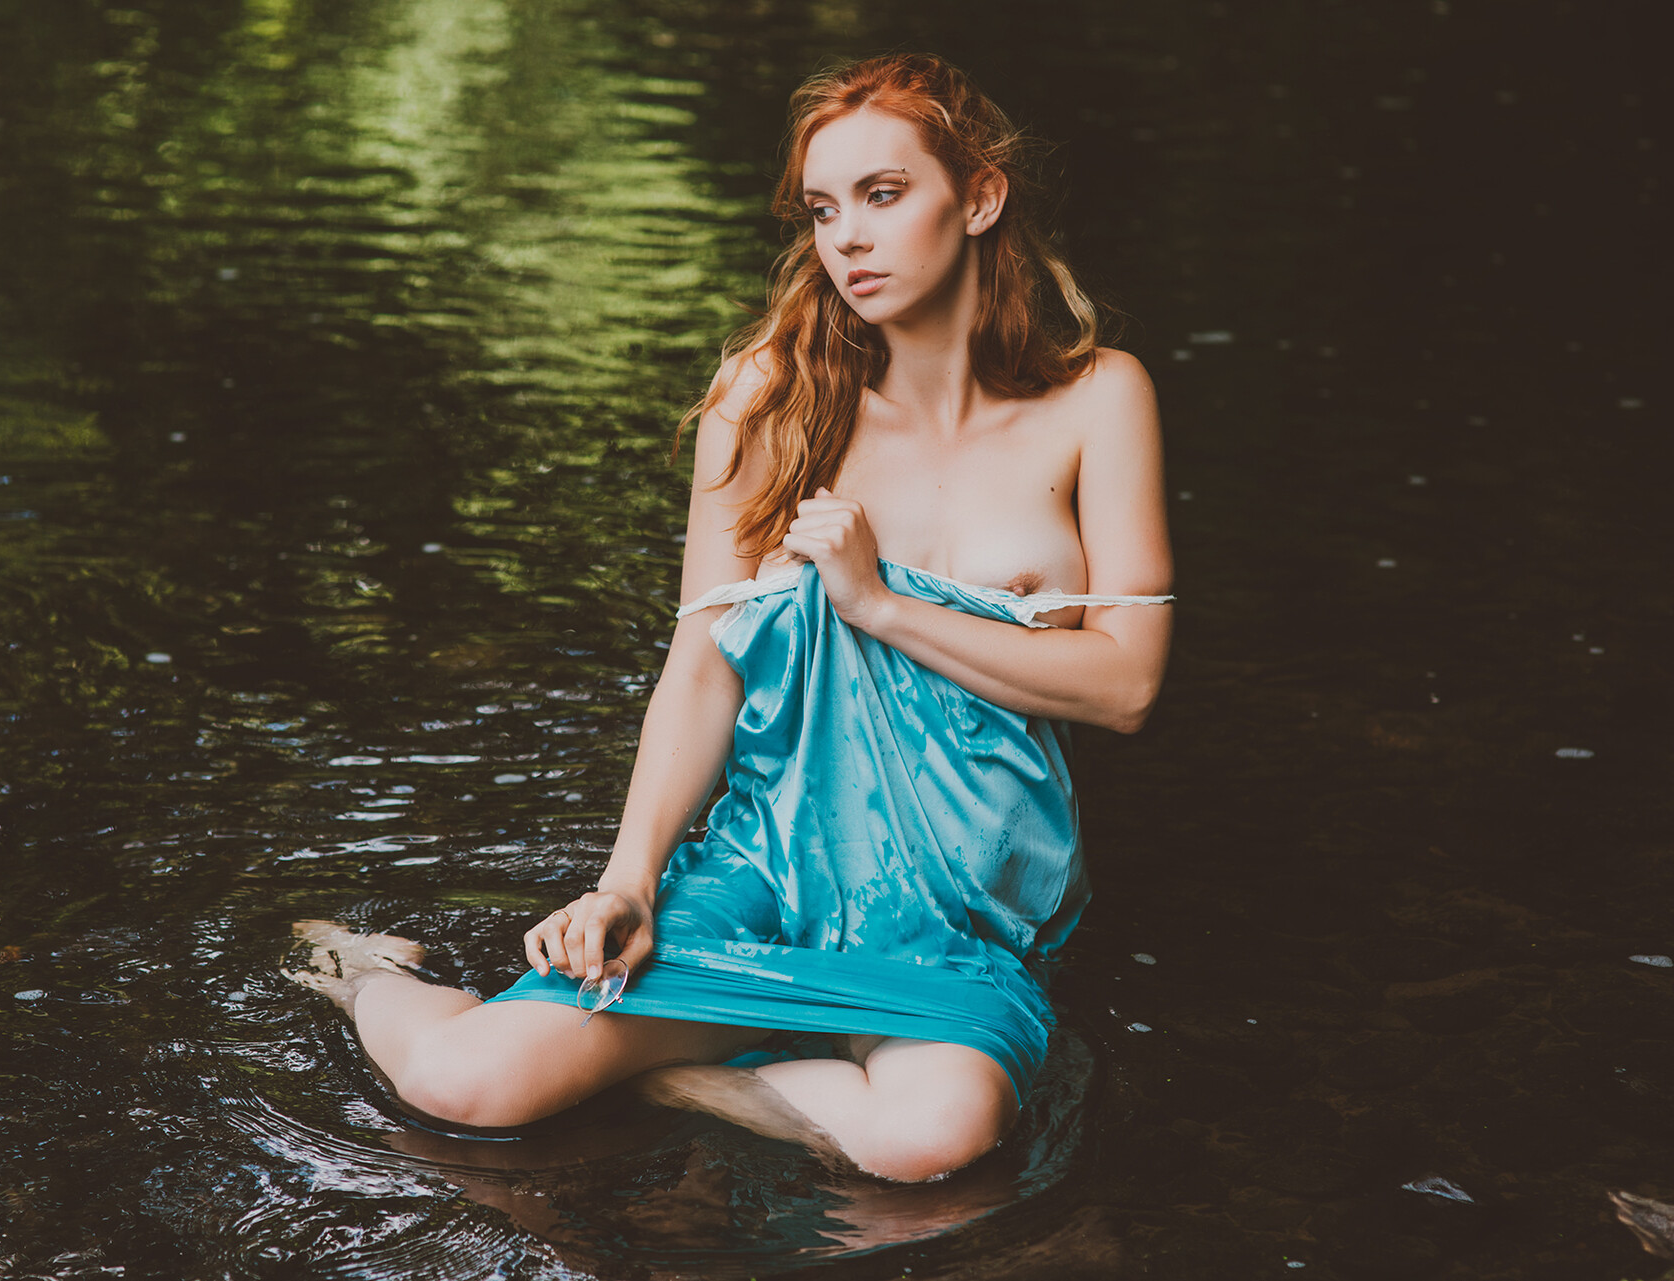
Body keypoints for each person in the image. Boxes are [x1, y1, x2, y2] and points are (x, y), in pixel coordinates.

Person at [285, 52, 1173, 1185]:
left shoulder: (1098, 399)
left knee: (930, 1141)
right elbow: (702, 667)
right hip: (770, 874)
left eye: (884, 194)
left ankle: (660, 1075)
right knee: (468, 1087)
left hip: (964, 910)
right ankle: (364, 970)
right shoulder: (767, 398)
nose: (848, 238)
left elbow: (1127, 685)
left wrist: (876, 604)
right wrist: (627, 881)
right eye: (823, 209)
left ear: (981, 197)